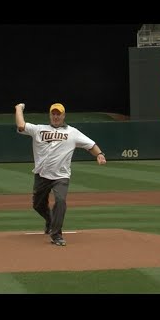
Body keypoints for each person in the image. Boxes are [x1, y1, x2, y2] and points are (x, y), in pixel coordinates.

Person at [15, 102, 107, 246]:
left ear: (64, 116)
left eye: (59, 114)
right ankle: (50, 221)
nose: (56, 116)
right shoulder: (39, 129)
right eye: (54, 113)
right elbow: (21, 125)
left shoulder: (72, 132)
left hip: (61, 176)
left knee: (60, 201)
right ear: (50, 115)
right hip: (41, 175)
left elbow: (91, 145)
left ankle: (56, 234)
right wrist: (18, 109)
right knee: (37, 205)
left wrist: (99, 154)